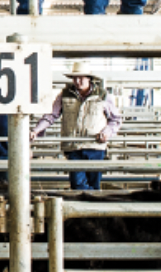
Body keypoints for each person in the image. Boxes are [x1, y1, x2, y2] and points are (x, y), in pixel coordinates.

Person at [31, 61, 122, 191]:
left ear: (89, 79)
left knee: (94, 184)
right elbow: (51, 115)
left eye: (81, 78)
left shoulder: (103, 96)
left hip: (95, 146)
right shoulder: (64, 95)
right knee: (77, 184)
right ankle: (87, 203)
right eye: (75, 78)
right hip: (73, 146)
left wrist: (107, 132)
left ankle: (90, 208)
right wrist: (36, 130)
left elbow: (116, 119)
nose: (77, 81)